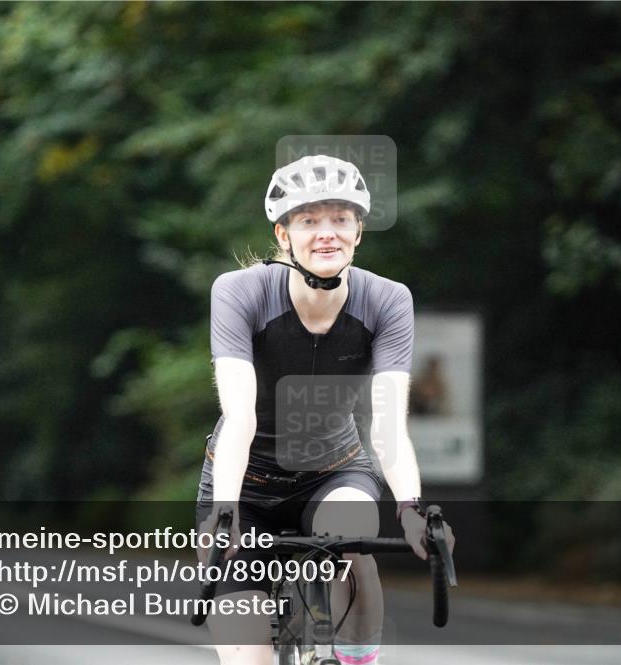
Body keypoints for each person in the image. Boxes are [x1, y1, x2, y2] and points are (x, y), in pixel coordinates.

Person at [195, 154, 455, 665]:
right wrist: (226, 509)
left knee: (351, 535)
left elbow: (388, 427)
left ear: (359, 231)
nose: (326, 233)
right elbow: (240, 417)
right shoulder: (239, 292)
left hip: (334, 473)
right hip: (244, 484)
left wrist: (409, 510)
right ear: (283, 234)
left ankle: (355, 659)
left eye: (340, 219)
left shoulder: (387, 300)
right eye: (309, 220)